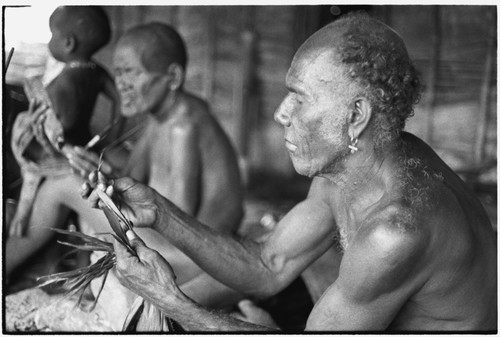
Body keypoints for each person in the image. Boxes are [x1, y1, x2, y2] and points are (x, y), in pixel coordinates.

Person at [84, 12, 497, 331]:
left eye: (299, 97)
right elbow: (269, 264)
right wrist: (160, 212)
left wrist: (172, 302)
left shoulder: (395, 231)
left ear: (356, 116)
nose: (282, 113)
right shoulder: (348, 168)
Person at [7, 22, 246, 330]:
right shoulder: (161, 118)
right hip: (181, 249)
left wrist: (85, 177)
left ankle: (6, 266)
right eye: (118, 72)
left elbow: (176, 222)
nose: (121, 84)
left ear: (172, 77)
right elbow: (131, 178)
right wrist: (92, 166)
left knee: (63, 186)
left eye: (132, 73)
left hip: (191, 261)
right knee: (74, 183)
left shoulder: (182, 126)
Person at [9, 5, 121, 237]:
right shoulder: (97, 72)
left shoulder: (64, 82)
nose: (50, 41)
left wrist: (60, 145)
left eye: (52, 35)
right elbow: (119, 99)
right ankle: (78, 250)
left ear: (68, 43)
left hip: (55, 156)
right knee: (80, 212)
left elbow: (57, 127)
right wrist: (113, 136)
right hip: (83, 146)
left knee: (30, 180)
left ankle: (20, 221)